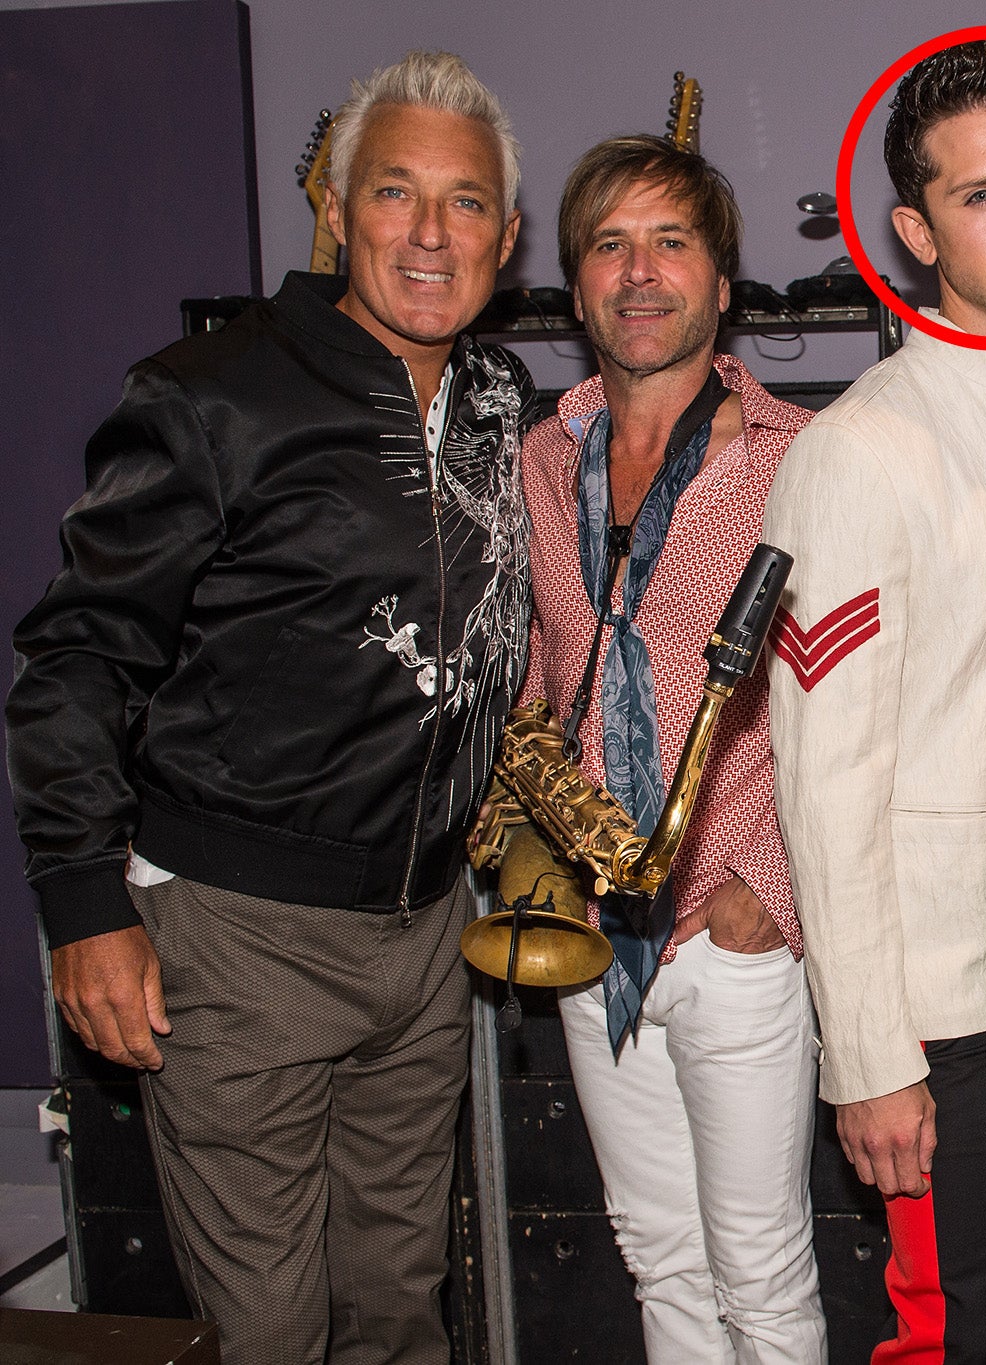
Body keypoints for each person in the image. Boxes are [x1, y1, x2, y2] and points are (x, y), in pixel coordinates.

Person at [7, 51, 537, 1365]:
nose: (429, 232)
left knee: (401, 1317)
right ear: (339, 210)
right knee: (265, 1335)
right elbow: (74, 656)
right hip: (238, 942)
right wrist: (84, 908)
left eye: (465, 203)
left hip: (425, 937)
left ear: (506, 238)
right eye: (396, 194)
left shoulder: (493, 397)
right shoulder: (211, 391)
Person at [763, 38, 986, 1363]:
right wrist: (867, 1053)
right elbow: (821, 777)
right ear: (915, 229)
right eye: (981, 195)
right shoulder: (857, 453)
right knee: (959, 1336)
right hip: (941, 1012)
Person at [513, 133, 824, 1363]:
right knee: (658, 1259)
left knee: (761, 1273)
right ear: (576, 281)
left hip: (734, 924)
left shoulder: (800, 459)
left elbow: (855, 707)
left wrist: (769, 892)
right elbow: (544, 675)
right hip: (595, 935)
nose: (639, 274)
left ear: (723, 280)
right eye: (609, 245)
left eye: (671, 244)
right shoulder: (543, 459)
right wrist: (540, 866)